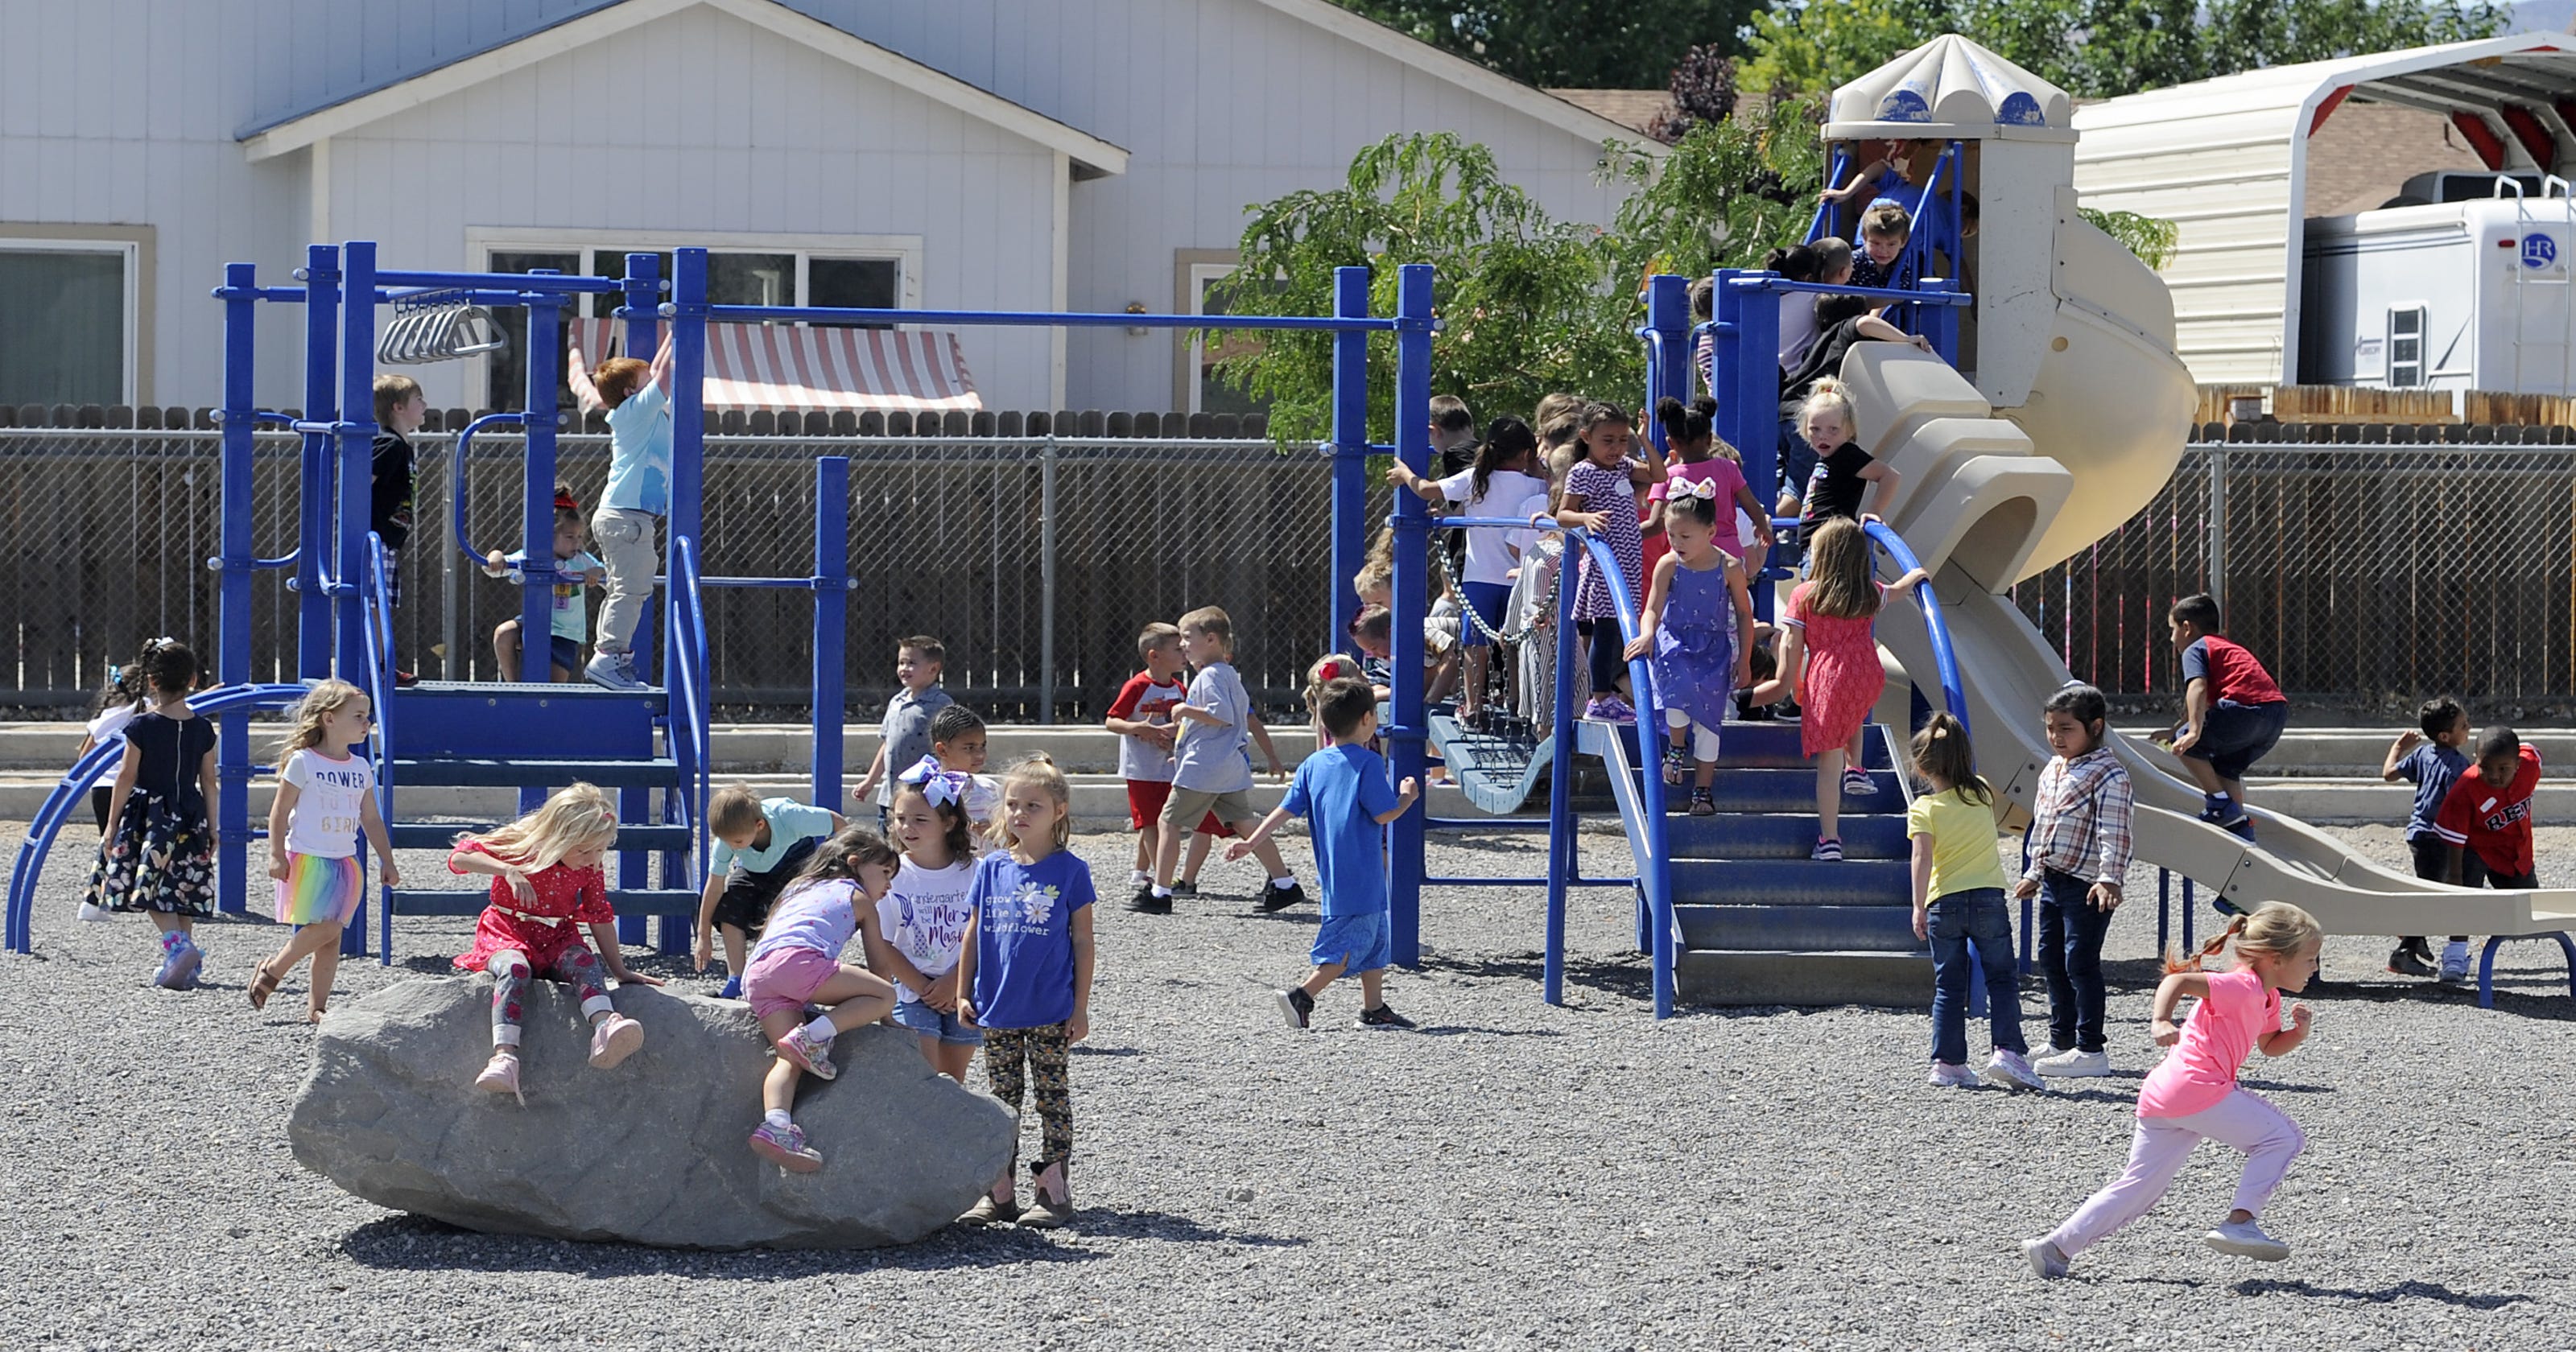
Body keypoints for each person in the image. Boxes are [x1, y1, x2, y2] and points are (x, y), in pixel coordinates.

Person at [2022, 902, 2322, 1278]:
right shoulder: (2239, 984)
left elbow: (2269, 1045)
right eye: (2310, 959)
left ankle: (2055, 1248)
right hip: (2198, 1089)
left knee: (2139, 1186)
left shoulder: (2267, 995)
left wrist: (2297, 1034)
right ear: (2275, 959)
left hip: (2166, 1094)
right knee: (2282, 1139)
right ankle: (2240, 1221)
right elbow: (2176, 981)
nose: (2314, 968)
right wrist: (2161, 1020)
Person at [1229, 678, 1423, 1029]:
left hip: (1338, 874)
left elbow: (1284, 810)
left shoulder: (1313, 764)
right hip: (1362, 874)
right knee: (1345, 948)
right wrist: (1407, 797)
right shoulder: (1368, 763)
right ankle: (1302, 996)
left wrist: (1251, 842)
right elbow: (1384, 815)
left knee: (1376, 939)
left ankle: (1374, 1008)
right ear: (1367, 719)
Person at [447, 784, 659, 1103]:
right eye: (584, 850)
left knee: (584, 962)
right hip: (508, 931)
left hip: (557, 935)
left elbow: (599, 916)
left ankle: (604, 1027)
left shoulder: (590, 867)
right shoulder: (521, 844)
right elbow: (460, 857)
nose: (592, 860)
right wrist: (508, 870)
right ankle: (505, 1058)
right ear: (559, 836)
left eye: (599, 850)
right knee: (515, 969)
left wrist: (621, 971)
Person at [956, 754, 1097, 1229]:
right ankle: (1000, 1191)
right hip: (996, 1008)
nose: (1020, 814)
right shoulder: (991, 867)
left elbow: (1082, 940)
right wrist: (962, 992)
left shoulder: (1071, 871)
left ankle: (1053, 1191)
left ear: (1058, 811)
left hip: (1050, 1008)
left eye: (1032, 805)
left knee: (1051, 1099)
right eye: (1013, 804)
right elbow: (972, 933)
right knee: (1002, 1101)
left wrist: (1080, 1006)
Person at [1748, 519, 1922, 859]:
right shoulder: (1868, 591)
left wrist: (1795, 685)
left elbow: (1792, 647)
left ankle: (1830, 839)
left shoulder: (1806, 594)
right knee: (1853, 711)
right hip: (1867, 672)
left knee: (1828, 766)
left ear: (1823, 556)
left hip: (1829, 674)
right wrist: (1915, 575)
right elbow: (1900, 590)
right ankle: (1856, 768)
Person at [742, 827, 904, 1172]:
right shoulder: (858, 897)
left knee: (788, 1059)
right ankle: (812, 1037)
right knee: (884, 995)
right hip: (797, 962)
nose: (888, 886)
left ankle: (777, 1125)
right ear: (855, 863)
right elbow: (879, 966)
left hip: (757, 974)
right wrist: (887, 1015)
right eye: (886, 873)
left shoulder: (797, 887)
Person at [1134, 607, 1307, 914]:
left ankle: (1160, 894)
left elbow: (1221, 716)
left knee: (1168, 822)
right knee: (1246, 825)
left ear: (1211, 639)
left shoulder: (1210, 676)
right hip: (1227, 766)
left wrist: (1185, 712)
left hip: (1206, 767)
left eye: (1188, 637)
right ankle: (1285, 885)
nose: (1183, 644)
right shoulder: (1228, 674)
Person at [1905, 713, 2041, 1090]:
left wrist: (1918, 906)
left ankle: (1947, 1063)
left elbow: (1922, 859)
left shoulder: (1922, 810)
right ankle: (2008, 1052)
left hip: (1943, 900)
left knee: (1948, 984)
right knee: (2001, 977)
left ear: (1920, 767)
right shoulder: (1981, 792)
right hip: (1987, 897)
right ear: (1966, 757)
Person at [1386, 415, 1551, 725]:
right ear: (1526, 454)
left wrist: (1405, 474)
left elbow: (1425, 489)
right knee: (1515, 641)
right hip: (1520, 578)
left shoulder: (1476, 477)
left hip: (1480, 578)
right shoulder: (1536, 484)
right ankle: (1517, 703)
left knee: (1475, 644)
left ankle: (1473, 705)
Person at [253, 680, 399, 1022]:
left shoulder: (361, 768)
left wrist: (387, 859)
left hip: (344, 861)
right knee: (328, 927)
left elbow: (371, 819)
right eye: (359, 716)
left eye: (368, 716)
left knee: (331, 940)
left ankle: (317, 1007)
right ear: (329, 719)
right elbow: (279, 810)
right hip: (307, 857)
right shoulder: (303, 762)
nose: (367, 723)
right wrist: (275, 853)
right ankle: (274, 969)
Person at [81, 638, 219, 988]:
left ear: (152, 681)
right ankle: (186, 967)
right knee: (183, 886)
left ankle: (177, 948)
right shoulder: (203, 728)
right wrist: (214, 827)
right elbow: (209, 781)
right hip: (190, 812)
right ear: (192, 680)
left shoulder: (141, 726)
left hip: (151, 816)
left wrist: (111, 824)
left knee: (150, 887)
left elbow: (126, 776)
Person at [2015, 682, 2136, 1078]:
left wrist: (2109, 878)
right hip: (2053, 878)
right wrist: (2034, 871)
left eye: (2066, 729)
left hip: (2088, 885)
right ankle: (2061, 1039)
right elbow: (2044, 826)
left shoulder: (2109, 773)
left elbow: (2113, 830)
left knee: (2079, 962)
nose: (2056, 737)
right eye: (2051, 728)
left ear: (2095, 727)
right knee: (2050, 959)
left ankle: (2091, 1049)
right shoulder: (2053, 767)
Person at [1624, 476, 1754, 815]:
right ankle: (1677, 746)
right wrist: (1648, 633)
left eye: (1685, 536)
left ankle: (1703, 790)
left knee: (1710, 723)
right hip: (1676, 640)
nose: (1676, 542)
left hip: (1712, 648)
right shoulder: (1669, 564)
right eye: (1671, 535)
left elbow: (1743, 613)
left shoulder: (1729, 567)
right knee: (1677, 689)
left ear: (1710, 532)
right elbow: (1652, 606)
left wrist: (1745, 659)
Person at [568, 333, 674, 691]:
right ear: (631, 392)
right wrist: (688, 332)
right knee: (630, 590)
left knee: (629, 588)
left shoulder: (637, 412)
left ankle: (613, 657)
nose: (652, 383)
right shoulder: (634, 412)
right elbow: (664, 375)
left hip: (626, 516)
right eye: (642, 382)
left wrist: (674, 330)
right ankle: (608, 658)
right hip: (626, 517)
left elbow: (657, 369)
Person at [1550, 402, 1662, 723]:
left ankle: (1606, 695)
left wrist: (1644, 439)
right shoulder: (1584, 472)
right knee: (1606, 629)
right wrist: (1586, 516)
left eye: (1622, 440)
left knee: (1617, 630)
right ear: (1586, 437)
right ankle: (1600, 698)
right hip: (1605, 566)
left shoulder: (1625, 466)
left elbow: (1659, 474)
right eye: (1608, 440)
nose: (1616, 448)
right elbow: (1563, 514)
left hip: (1627, 563)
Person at [873, 771, 982, 1082]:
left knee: (954, 1078)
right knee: (923, 1078)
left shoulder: (976, 871)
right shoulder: (890, 873)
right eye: (900, 818)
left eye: (920, 820)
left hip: (964, 987)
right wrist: (923, 988)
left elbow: (985, 935)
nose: (907, 828)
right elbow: (882, 941)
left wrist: (953, 982)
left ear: (948, 823)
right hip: (910, 988)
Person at [1105, 623, 1227, 896]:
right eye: (1177, 648)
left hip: (1169, 767)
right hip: (1142, 769)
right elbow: (1112, 721)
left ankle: (1140, 872)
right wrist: (1140, 729)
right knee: (1150, 823)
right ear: (1154, 655)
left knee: (1158, 820)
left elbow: (1184, 724)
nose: (1184, 652)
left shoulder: (1178, 689)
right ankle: (1163, 877)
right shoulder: (1137, 685)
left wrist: (1174, 735)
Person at [691, 783, 843, 1000]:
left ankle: (777, 980)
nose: (731, 847)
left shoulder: (790, 816)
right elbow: (714, 886)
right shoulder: (729, 840)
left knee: (777, 913)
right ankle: (737, 980)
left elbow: (837, 823)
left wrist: (845, 864)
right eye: (727, 842)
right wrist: (702, 935)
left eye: (736, 842)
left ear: (759, 824)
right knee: (730, 908)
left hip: (794, 859)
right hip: (754, 867)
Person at [2165, 593, 2287, 839]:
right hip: (2275, 716)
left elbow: (2197, 687)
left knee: (2188, 742)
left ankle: (2219, 804)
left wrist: (2191, 731)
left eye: (2173, 629)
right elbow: (2206, 705)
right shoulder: (2226, 648)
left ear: (2186, 627)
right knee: (2226, 768)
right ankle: (2240, 825)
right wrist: (2178, 728)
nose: (2171, 638)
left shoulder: (2195, 648)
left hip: (2244, 711)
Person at [2431, 725, 2545, 983]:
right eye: (2486, 767)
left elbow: (2532, 750)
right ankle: (2456, 953)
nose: (2494, 775)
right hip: (2477, 849)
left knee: (2528, 901)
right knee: (2467, 898)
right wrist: (2457, 879)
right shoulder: (2466, 788)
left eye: (2503, 768)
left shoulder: (2530, 765)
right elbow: (2455, 839)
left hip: (2516, 850)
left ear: (2517, 763)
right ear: (2476, 760)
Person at [2381, 696, 2471, 977]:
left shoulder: (2422, 755)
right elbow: (2462, 804)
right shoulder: (2459, 767)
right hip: (2439, 837)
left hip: (2417, 834)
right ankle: (2404, 953)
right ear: (2446, 736)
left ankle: (2416, 939)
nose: (2469, 728)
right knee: (2431, 896)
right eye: (2464, 725)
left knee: (2427, 888)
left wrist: (2398, 747)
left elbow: (2388, 775)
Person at [483, 485, 605, 683]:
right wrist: (495, 556)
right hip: (532, 624)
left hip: (565, 633)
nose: (577, 543)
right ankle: (513, 685)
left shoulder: (581, 560)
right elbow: (494, 569)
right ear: (548, 536)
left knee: (552, 686)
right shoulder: (531, 556)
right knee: (503, 634)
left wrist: (597, 572)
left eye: (579, 537)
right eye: (570, 537)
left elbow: (606, 573)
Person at [1645, 396, 1770, 583]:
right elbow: (1752, 505)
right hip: (1728, 558)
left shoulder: (1666, 476)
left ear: (1670, 443)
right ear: (1710, 439)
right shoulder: (1728, 468)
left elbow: (1655, 524)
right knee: (1729, 609)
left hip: (1686, 558)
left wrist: (1623, 535)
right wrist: (1763, 529)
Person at [1789, 377, 1907, 565]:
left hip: (1831, 550)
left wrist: (1874, 509)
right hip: (1815, 550)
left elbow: (1890, 476)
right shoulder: (1827, 458)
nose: (1822, 436)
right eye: (1815, 429)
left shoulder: (1847, 454)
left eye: (1833, 430)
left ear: (1849, 430)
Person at [851, 635, 954, 832]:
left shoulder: (941, 704)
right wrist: (870, 781)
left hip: (922, 796)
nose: (904, 668)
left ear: (933, 668)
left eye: (912, 663)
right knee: (887, 843)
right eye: (901, 662)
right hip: (890, 795)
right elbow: (887, 745)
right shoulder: (896, 702)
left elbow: (951, 748)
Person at [370, 373, 425, 684]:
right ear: (398, 407)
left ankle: (379, 665)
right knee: (375, 605)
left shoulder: (402, 446)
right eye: (418, 400)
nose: (424, 405)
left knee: (383, 605)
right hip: (376, 538)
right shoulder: (388, 444)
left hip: (389, 540)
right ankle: (376, 667)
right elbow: (362, 482)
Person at [74, 657, 148, 839]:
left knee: (108, 841)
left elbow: (84, 757)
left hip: (102, 787)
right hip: (133, 785)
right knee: (134, 841)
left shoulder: (104, 716)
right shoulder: (145, 708)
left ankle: (107, 866)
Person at [923, 703, 1001, 843]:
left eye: (982, 746)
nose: (980, 755)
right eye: (969, 748)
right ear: (942, 750)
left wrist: (995, 829)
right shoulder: (928, 793)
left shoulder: (991, 791)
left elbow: (1010, 834)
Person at [1847, 203, 1916, 294]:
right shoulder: (1852, 263)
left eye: (1891, 244)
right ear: (1864, 238)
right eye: (1876, 243)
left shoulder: (1903, 266)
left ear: (1903, 242)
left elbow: (1898, 297)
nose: (1883, 251)